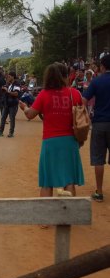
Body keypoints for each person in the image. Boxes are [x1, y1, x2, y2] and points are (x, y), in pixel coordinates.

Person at [19, 63, 84, 201]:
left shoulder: (44, 94)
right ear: (65, 76)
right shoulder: (74, 94)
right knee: (69, 180)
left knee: (47, 181)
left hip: (50, 142)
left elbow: (30, 114)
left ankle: (47, 218)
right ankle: (69, 215)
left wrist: (24, 107)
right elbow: (82, 118)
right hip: (70, 142)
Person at [82, 54, 110, 202]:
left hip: (99, 123)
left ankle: (99, 192)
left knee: (99, 159)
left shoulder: (96, 81)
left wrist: (86, 116)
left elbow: (84, 100)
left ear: (102, 67)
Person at [0, 72, 21, 138]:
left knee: (12, 119)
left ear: (13, 77)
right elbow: (5, 90)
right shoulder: (9, 83)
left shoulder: (17, 84)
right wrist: (4, 88)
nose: (8, 77)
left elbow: (16, 94)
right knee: (3, 118)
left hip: (13, 104)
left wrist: (7, 91)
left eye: (9, 76)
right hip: (6, 104)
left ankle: (11, 133)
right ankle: (0, 132)